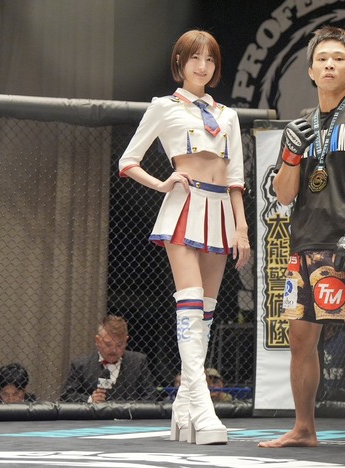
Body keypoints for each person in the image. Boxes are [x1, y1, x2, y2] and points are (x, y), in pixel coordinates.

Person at [258, 26, 345, 457]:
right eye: (322, 59)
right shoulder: (301, 125)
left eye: (338, 58)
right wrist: (290, 156)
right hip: (304, 243)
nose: (329, 64)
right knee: (300, 339)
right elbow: (283, 195)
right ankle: (303, 428)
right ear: (311, 70)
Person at [118, 30, 250, 445]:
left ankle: (183, 404)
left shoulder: (227, 115)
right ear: (180, 62)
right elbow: (128, 161)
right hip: (185, 208)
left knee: (206, 311)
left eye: (210, 59)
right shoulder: (164, 107)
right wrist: (162, 184)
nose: (202, 66)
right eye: (195, 58)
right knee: (191, 303)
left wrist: (242, 227)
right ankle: (203, 406)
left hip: (221, 213)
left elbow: (235, 177)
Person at [60, 315, 155, 403]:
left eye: (119, 345)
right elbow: (66, 396)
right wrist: (90, 399)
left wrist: (131, 409)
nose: (114, 350)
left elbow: (151, 396)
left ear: (126, 341)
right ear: (97, 341)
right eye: (108, 344)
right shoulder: (81, 365)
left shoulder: (138, 362)